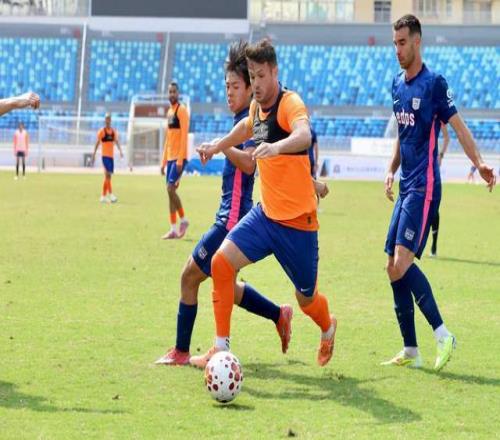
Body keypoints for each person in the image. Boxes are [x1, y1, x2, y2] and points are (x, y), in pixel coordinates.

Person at [192, 39, 337, 369]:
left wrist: (277, 147)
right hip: (265, 216)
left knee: (306, 299)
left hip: (298, 224)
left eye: (260, 76)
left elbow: (303, 134)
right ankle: (220, 348)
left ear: (274, 71)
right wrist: (217, 145)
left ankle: (328, 327)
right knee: (220, 263)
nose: (255, 84)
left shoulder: (290, 103)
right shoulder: (256, 108)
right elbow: (246, 127)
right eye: (252, 76)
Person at [155, 41, 293, 366]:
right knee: (226, 282)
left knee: (189, 277)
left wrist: (221, 146)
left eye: (235, 86)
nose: (229, 92)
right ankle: (279, 314)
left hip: (231, 220)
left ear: (250, 87)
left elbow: (249, 164)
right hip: (232, 215)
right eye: (226, 86)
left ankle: (181, 351)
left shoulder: (252, 122)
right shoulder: (242, 120)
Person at [382, 15, 496, 371]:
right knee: (391, 268)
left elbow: (458, 127)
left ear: (417, 41)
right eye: (394, 43)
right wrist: (391, 169)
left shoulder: (434, 84)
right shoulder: (396, 85)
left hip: (425, 187)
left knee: (402, 263)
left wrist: (479, 163)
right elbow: (402, 136)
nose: (397, 49)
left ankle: (443, 334)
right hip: (406, 186)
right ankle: (411, 351)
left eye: (403, 42)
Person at [161, 82, 190, 239]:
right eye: (170, 92)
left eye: (174, 92)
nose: (172, 94)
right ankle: (173, 229)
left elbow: (184, 135)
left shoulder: (182, 110)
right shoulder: (169, 112)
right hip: (170, 157)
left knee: (170, 189)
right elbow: (168, 138)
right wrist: (163, 161)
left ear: (178, 94)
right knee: (170, 192)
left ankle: (184, 220)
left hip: (180, 157)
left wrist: (180, 160)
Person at [92, 113, 123, 203]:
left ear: (110, 120)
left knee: (108, 177)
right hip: (105, 156)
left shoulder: (113, 132)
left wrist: (120, 150)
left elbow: (116, 141)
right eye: (106, 119)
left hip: (111, 157)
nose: (108, 120)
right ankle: (111, 195)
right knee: (107, 175)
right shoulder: (102, 131)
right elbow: (97, 143)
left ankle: (103, 196)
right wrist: (94, 153)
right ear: (105, 120)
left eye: (109, 119)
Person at [429, 123, 449, 257]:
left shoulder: (437, 116)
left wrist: (440, 155)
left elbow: (447, 137)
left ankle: (434, 245)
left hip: (432, 167)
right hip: (417, 164)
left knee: (434, 207)